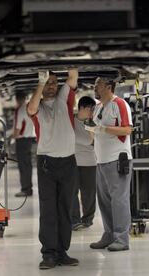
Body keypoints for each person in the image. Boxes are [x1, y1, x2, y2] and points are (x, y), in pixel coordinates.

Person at [27, 69, 79, 269]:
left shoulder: (63, 99)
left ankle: (62, 251)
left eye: (54, 82)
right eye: (48, 83)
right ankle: (48, 254)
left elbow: (73, 78)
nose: (51, 86)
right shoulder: (37, 105)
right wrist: (40, 83)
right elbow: (31, 109)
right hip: (47, 163)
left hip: (68, 162)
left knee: (65, 208)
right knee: (48, 209)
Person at [85, 77, 133, 252]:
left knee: (119, 200)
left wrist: (103, 129)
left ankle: (122, 238)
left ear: (108, 87)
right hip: (101, 160)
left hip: (117, 160)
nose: (95, 87)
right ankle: (109, 234)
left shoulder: (119, 104)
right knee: (104, 201)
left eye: (97, 84)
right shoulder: (98, 107)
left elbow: (127, 129)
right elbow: (94, 131)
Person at [72, 96, 97, 231]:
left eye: (93, 110)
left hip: (90, 162)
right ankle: (74, 220)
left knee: (89, 193)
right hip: (73, 162)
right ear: (81, 108)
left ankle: (87, 219)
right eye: (90, 109)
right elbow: (87, 140)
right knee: (72, 192)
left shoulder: (92, 122)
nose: (92, 112)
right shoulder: (71, 121)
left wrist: (91, 125)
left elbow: (91, 141)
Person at [13, 93, 36, 197]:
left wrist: (14, 137)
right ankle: (28, 189)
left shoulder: (20, 110)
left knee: (23, 166)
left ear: (17, 99)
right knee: (28, 166)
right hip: (29, 139)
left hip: (22, 140)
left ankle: (25, 189)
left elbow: (18, 127)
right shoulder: (28, 108)